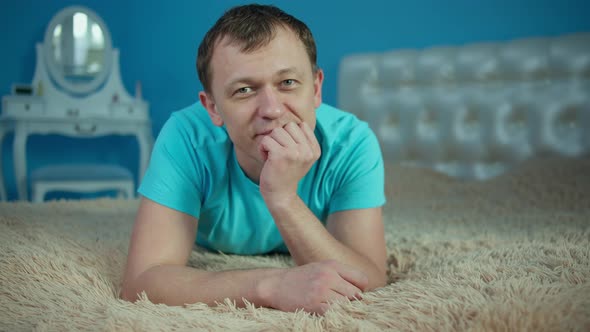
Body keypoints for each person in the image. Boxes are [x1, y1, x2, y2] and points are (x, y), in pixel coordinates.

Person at [121, 4, 387, 315]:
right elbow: (141, 282)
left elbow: (369, 279)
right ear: (213, 108)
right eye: (244, 90)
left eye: (287, 83)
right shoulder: (186, 138)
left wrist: (283, 197)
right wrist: (271, 285)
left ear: (315, 89)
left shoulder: (352, 143)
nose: (272, 109)